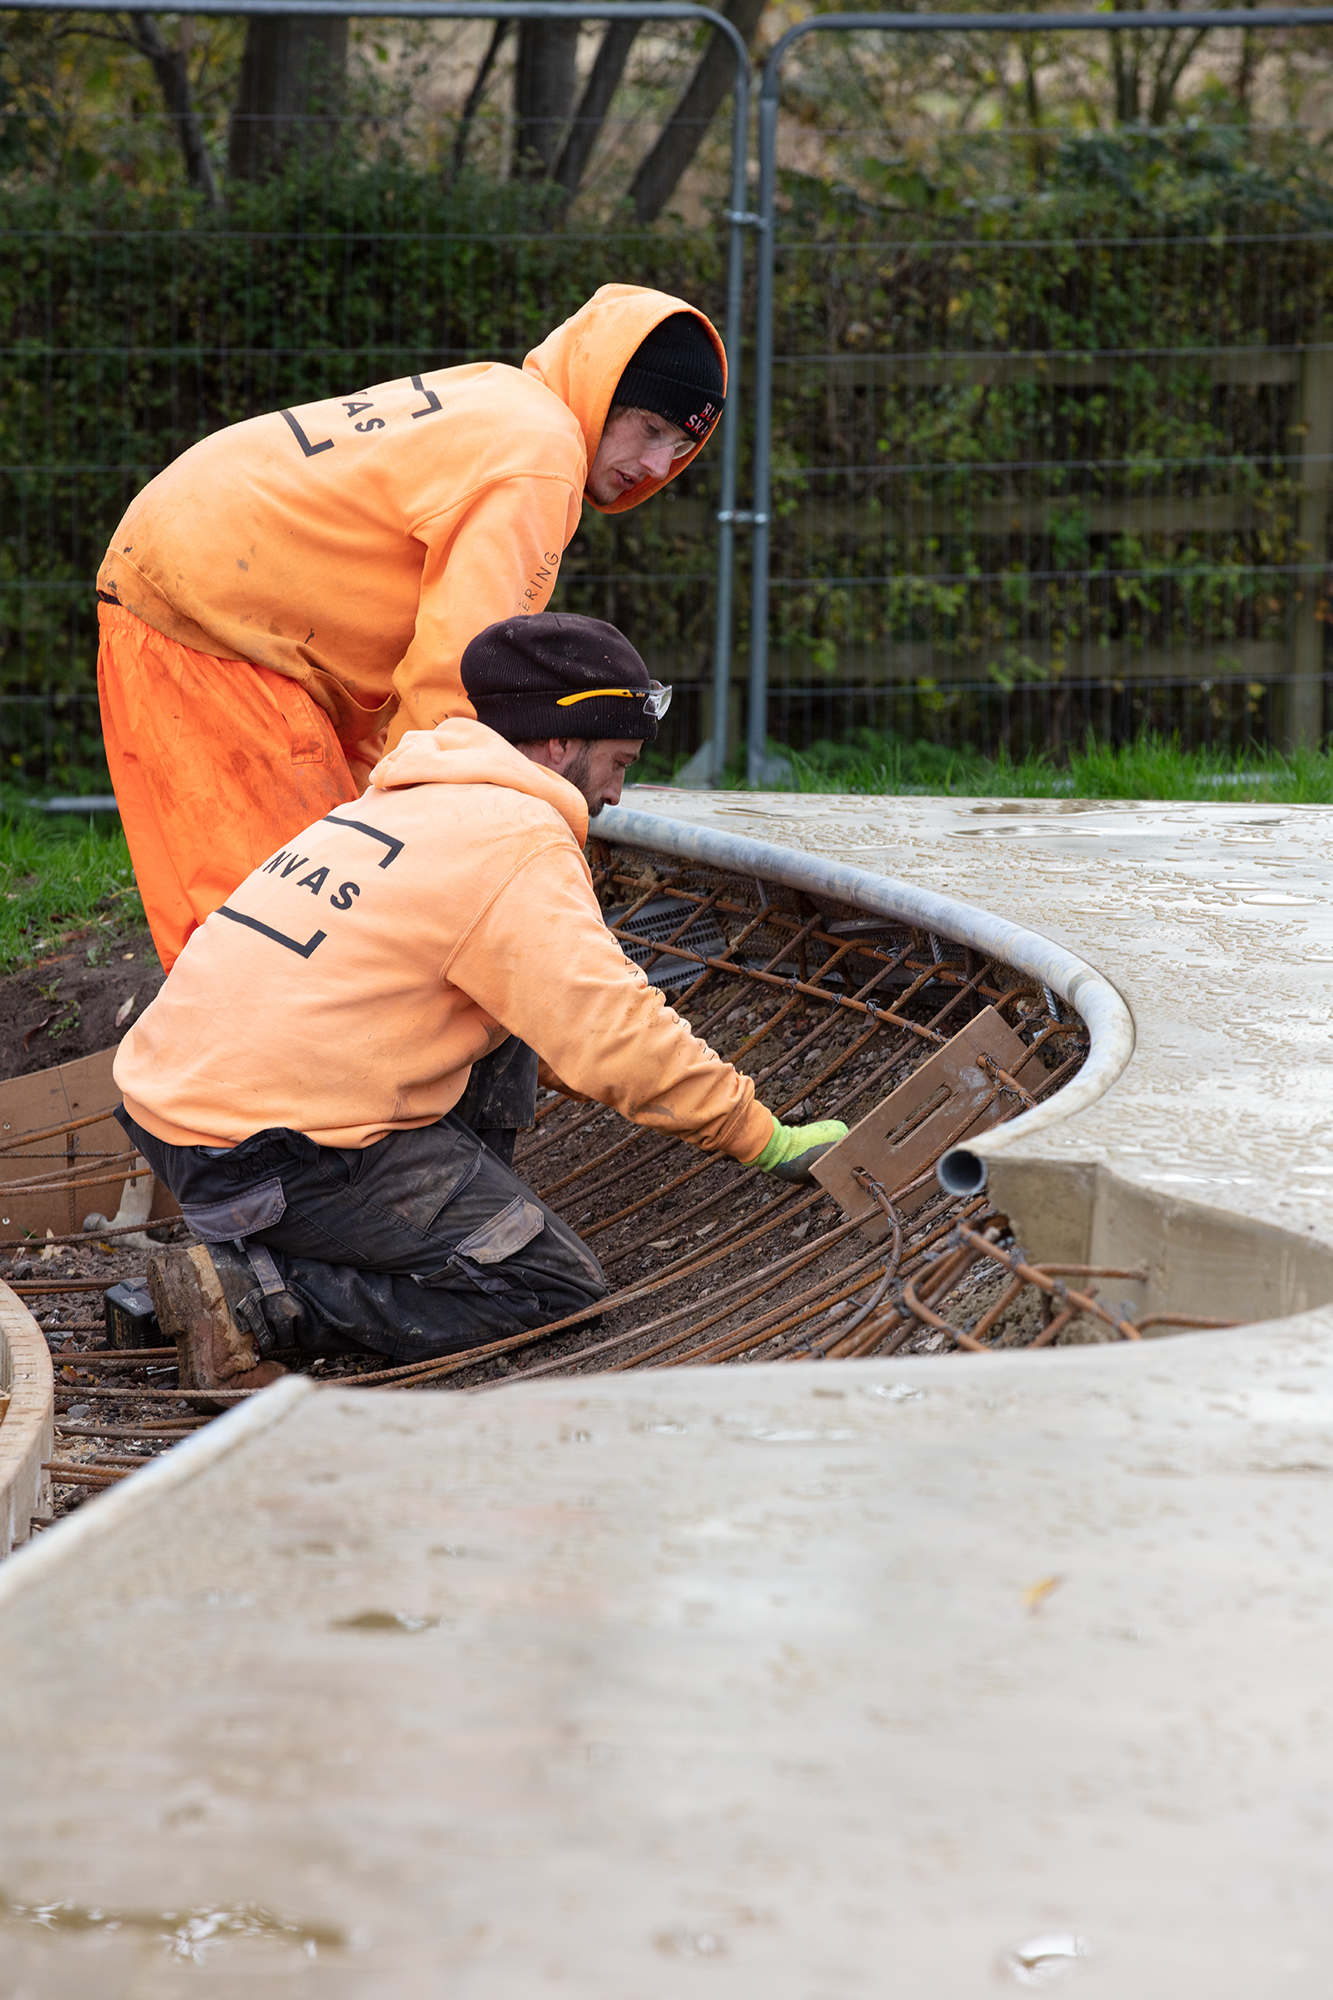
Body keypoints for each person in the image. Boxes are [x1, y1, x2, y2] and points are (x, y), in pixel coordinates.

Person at [115, 613, 846, 1392]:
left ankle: (339, 1251)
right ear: (560, 742)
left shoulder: (408, 802)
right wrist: (757, 1136)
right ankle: (250, 1296)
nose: (615, 793)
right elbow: (611, 1031)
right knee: (547, 1287)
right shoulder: (514, 838)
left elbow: (561, 1019)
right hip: (268, 1159)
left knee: (512, 1012)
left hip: (183, 1115)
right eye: (618, 761)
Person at [96, 284, 726, 971]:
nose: (658, 466)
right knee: (286, 939)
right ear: (603, 395)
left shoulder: (501, 398)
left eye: (682, 444)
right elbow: (461, 676)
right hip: (216, 630)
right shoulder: (538, 457)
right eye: (649, 429)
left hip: (202, 600)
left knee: (293, 914)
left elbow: (427, 673)